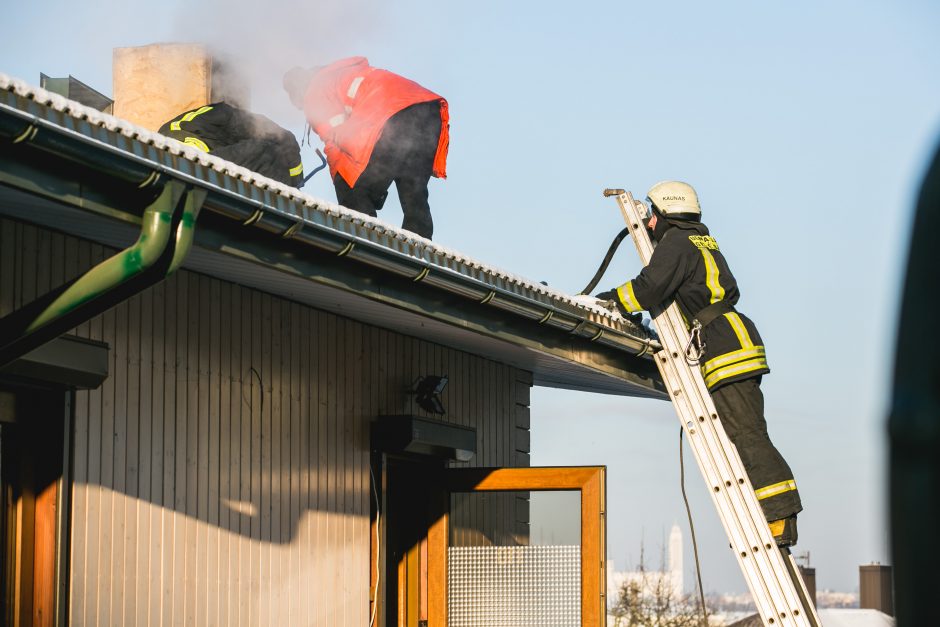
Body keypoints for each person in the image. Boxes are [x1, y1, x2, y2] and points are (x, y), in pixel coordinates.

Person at [596, 181, 802, 546]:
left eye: (652, 214)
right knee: (747, 431)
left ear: (664, 212)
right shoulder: (699, 238)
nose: (649, 223)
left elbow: (650, 287)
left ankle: (778, 516)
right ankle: (774, 513)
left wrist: (613, 300)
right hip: (731, 336)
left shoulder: (675, 242)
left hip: (724, 345)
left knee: (747, 433)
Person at [282, 58, 449, 239]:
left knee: (348, 185)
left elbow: (336, 140)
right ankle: (420, 244)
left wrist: (350, 185)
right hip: (427, 108)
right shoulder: (340, 76)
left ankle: (364, 239)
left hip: (388, 114)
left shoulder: (314, 93)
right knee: (413, 187)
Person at [159, 102, 304, 187]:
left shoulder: (212, 118)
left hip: (165, 150)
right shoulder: (231, 117)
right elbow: (286, 140)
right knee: (267, 153)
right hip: (187, 154)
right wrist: (295, 185)